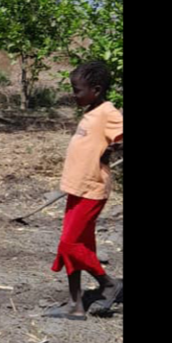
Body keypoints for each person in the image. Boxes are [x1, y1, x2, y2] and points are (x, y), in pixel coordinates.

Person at [44, 61, 123, 320]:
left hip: (91, 190)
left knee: (69, 244)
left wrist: (112, 150)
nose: (74, 95)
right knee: (77, 245)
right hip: (76, 189)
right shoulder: (91, 111)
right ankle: (75, 305)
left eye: (77, 90)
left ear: (96, 89)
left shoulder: (108, 112)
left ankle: (108, 283)